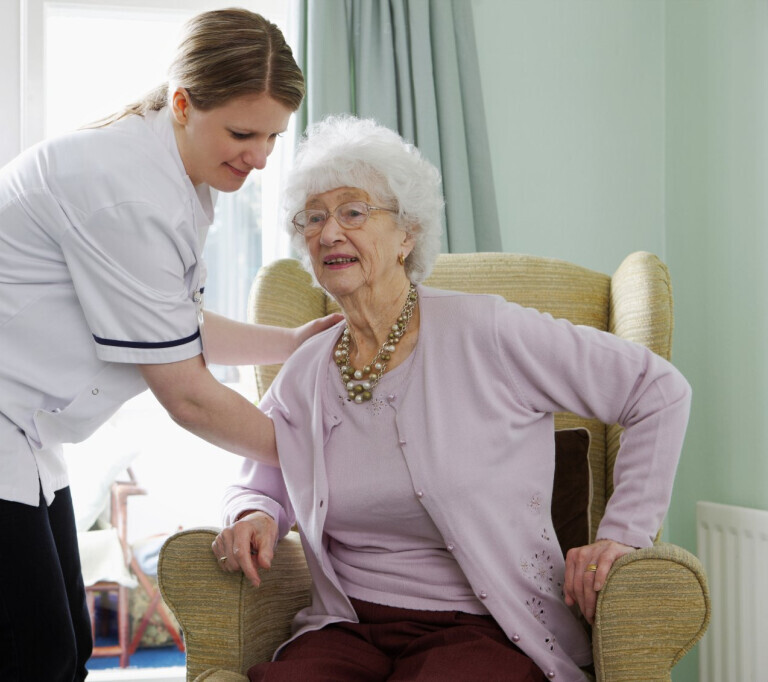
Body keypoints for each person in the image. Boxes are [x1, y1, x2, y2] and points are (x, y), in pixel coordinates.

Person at [0, 9, 338, 682]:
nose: (260, 156)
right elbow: (187, 395)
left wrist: (292, 342)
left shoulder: (173, 171)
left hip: (2, 417)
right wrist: (333, 454)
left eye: (274, 136)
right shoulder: (127, 190)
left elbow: (167, 321)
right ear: (184, 103)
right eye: (244, 133)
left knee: (61, 650)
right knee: (32, 659)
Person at [212, 115, 691, 682]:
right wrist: (255, 513)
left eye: (353, 212)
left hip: (486, 626)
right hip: (348, 626)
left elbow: (657, 389)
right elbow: (266, 469)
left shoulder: (487, 332)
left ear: (407, 234)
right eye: (313, 218)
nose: (329, 233)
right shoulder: (309, 368)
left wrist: (622, 534)